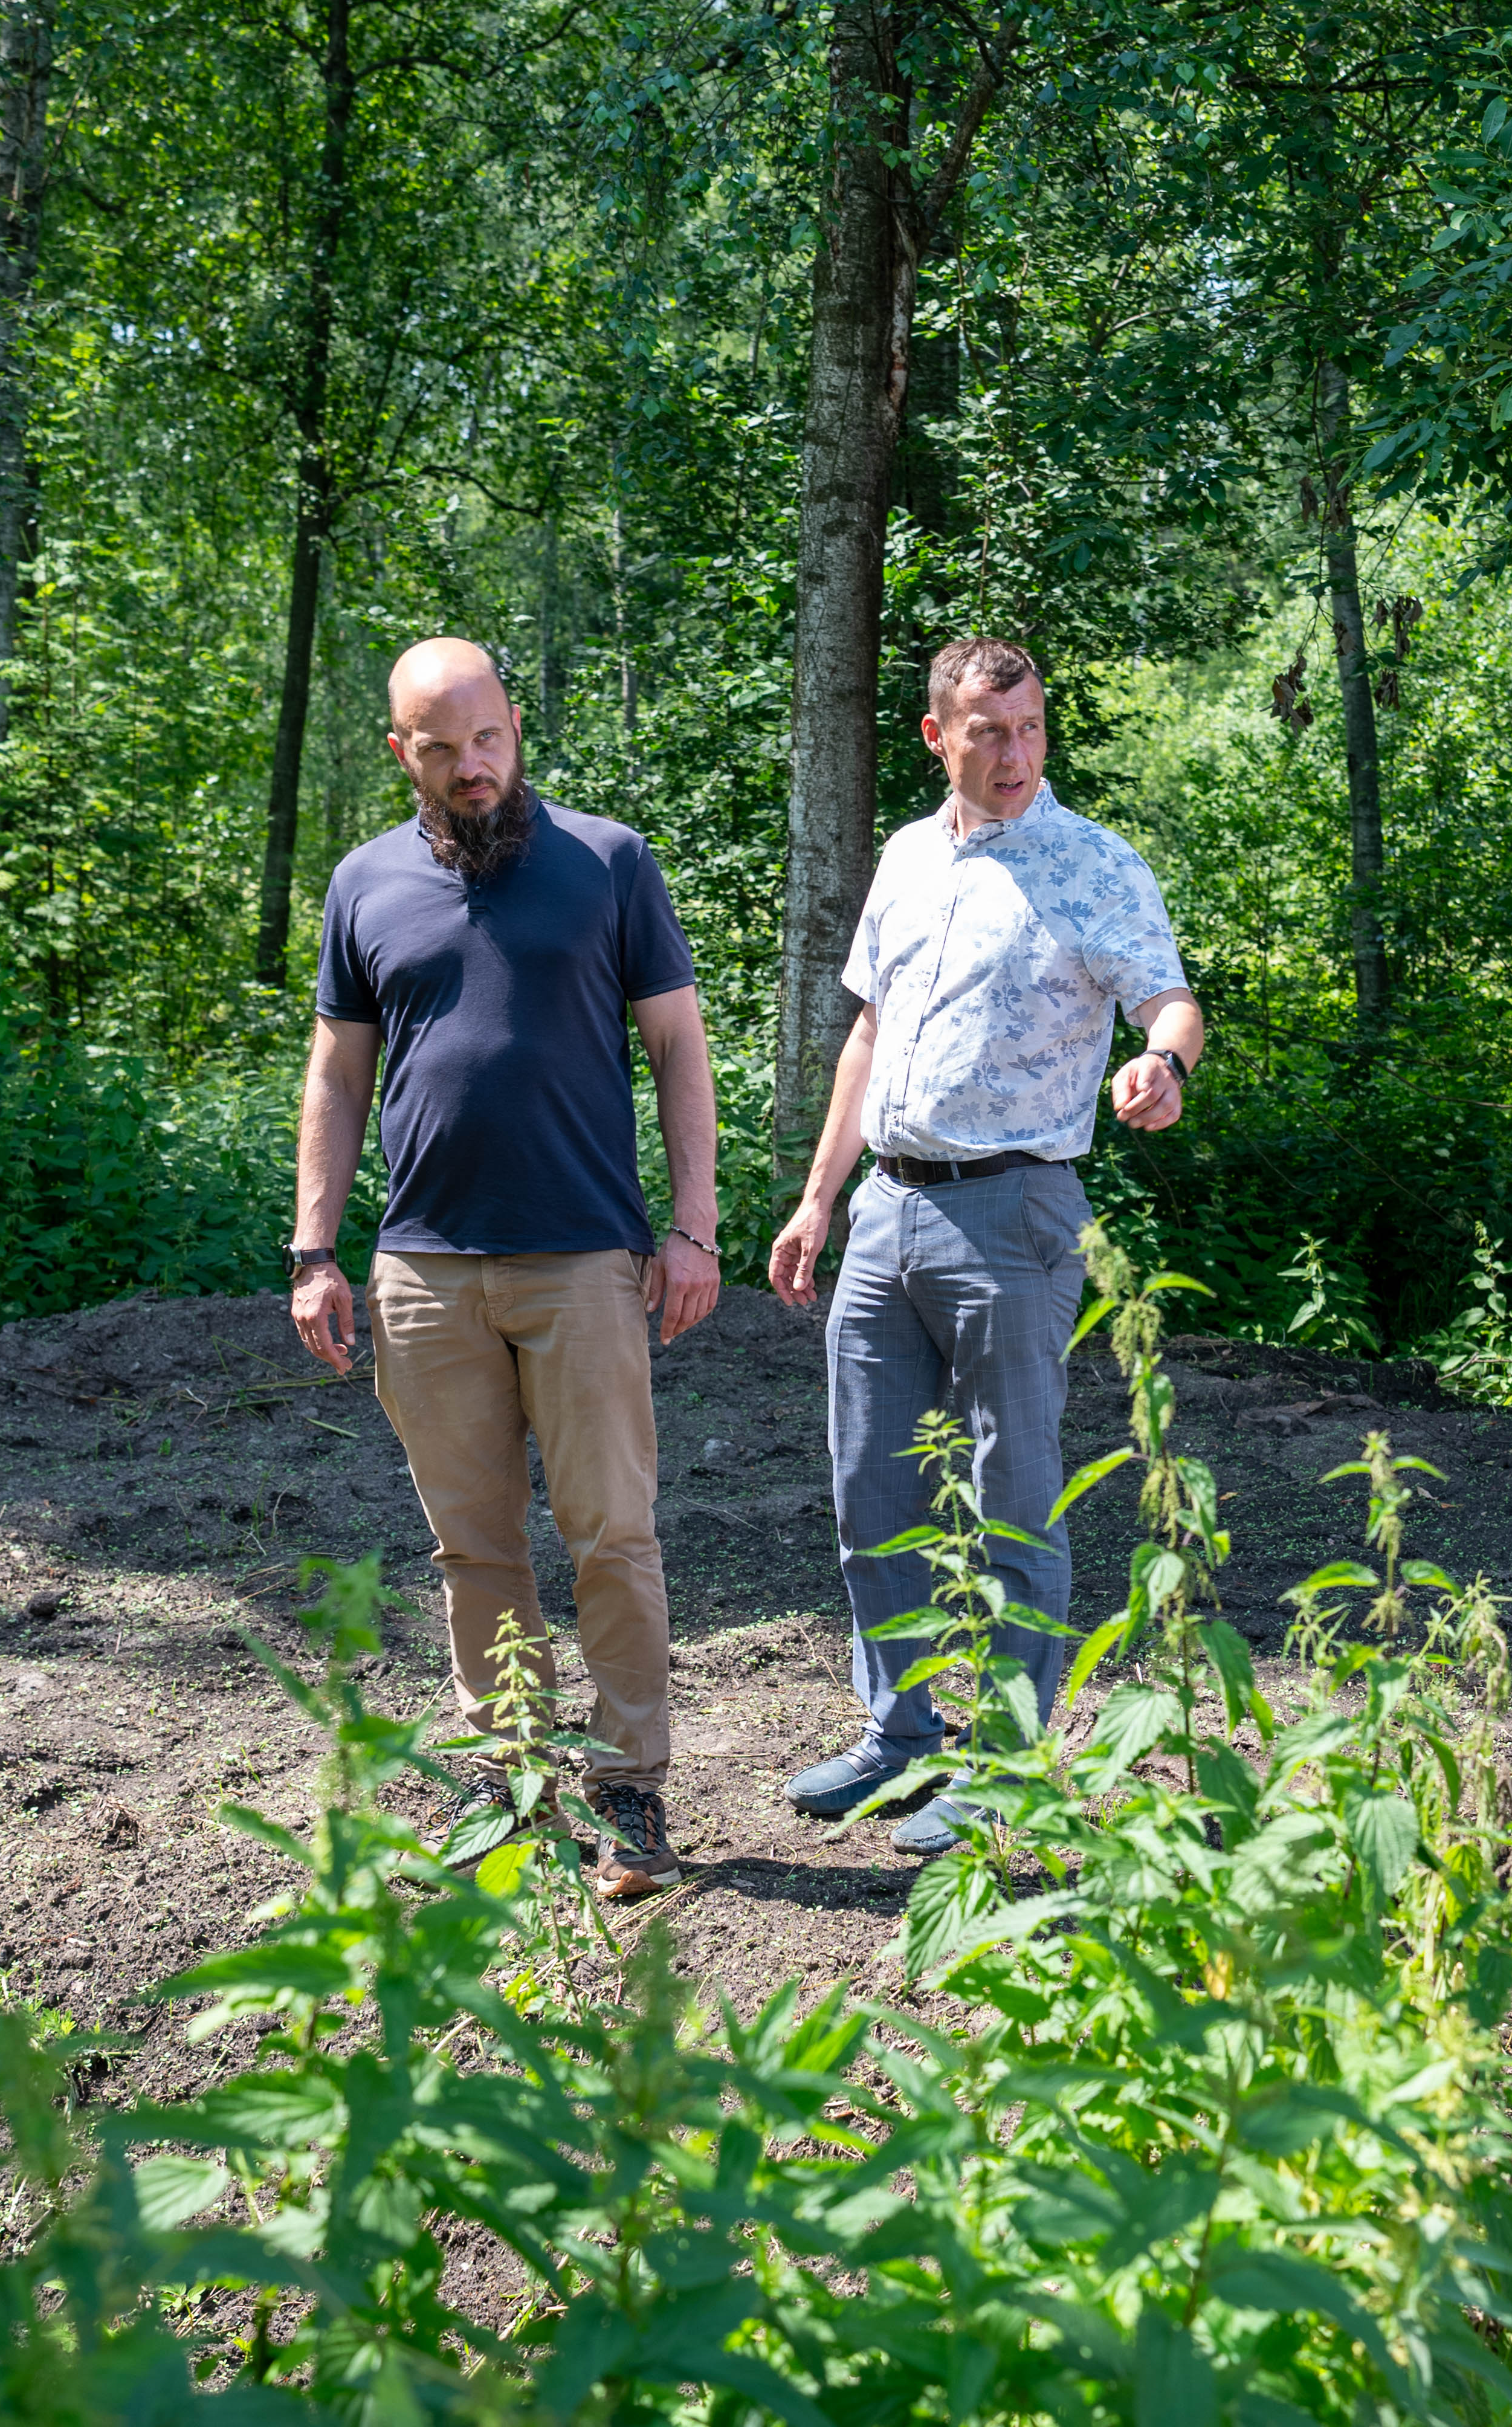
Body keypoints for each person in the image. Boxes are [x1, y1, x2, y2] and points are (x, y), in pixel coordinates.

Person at [286, 635, 721, 1903]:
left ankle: (630, 1789)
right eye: (442, 749)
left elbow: (678, 1049)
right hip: (423, 1271)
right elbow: (337, 1074)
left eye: (488, 739)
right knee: (471, 1546)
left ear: (515, 728)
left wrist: (692, 1228)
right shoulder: (364, 884)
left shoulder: (609, 862)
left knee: (611, 1537)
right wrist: (315, 1251)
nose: (472, 766)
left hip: (585, 1259)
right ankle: (511, 1785)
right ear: (401, 753)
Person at [767, 635, 1205, 1857]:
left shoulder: (1092, 863)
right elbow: (868, 1035)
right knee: (871, 1486)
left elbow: (1169, 999)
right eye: (987, 732)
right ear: (936, 737)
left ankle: (1009, 1767)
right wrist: (817, 1199)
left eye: (1029, 728)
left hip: (1015, 1213)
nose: (1014, 754)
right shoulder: (907, 857)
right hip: (885, 1210)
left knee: (1013, 1498)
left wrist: (1163, 1064)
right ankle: (899, 1734)